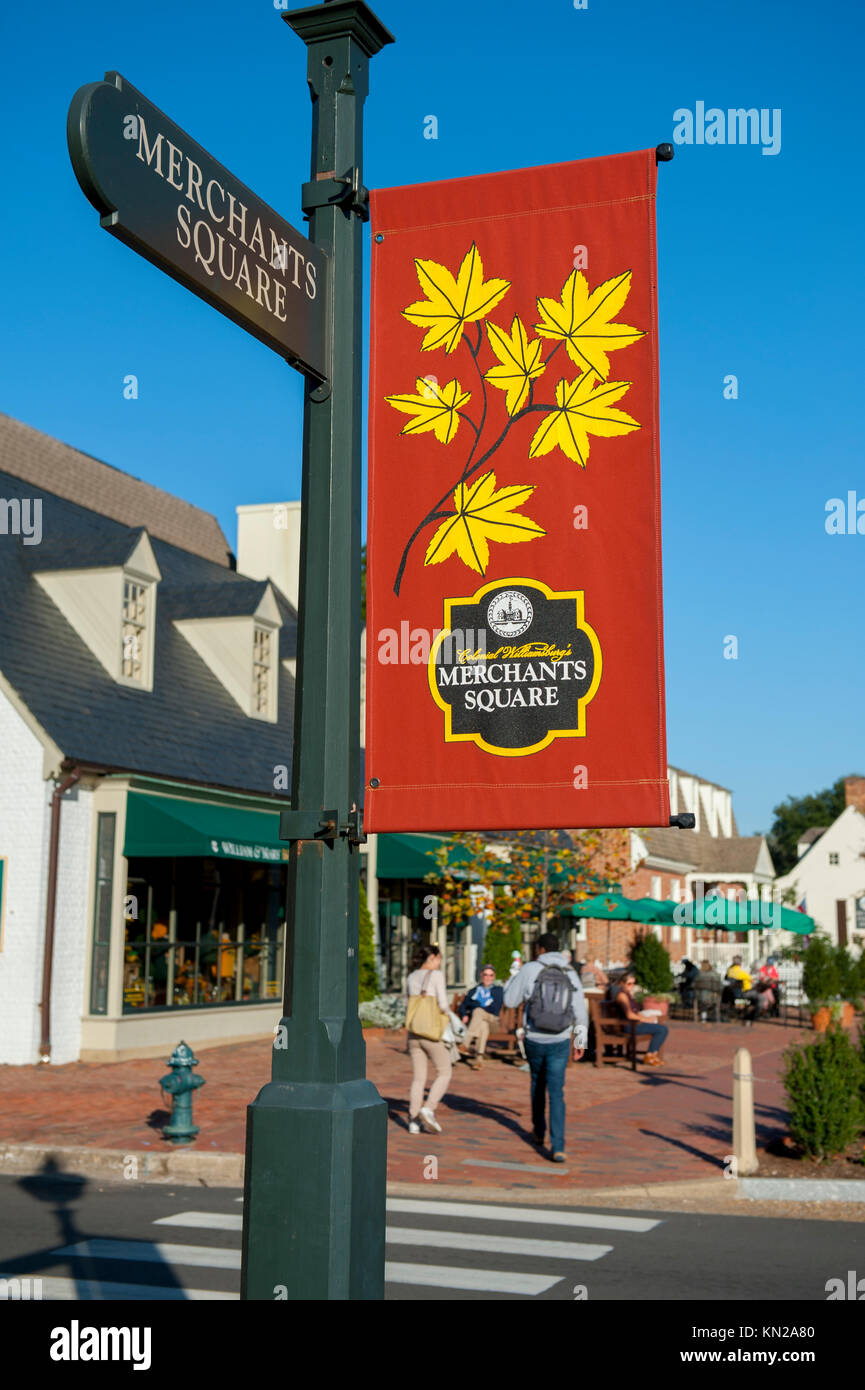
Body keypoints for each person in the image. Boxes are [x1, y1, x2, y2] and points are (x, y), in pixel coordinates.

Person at [504, 932, 586, 1163]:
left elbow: (510, 1001)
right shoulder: (570, 972)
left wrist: (513, 977)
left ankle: (539, 1131)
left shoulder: (530, 969)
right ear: (558, 949)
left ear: (540, 948)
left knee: (537, 1082)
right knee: (557, 1092)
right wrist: (580, 1042)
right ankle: (558, 1146)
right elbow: (580, 1011)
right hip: (560, 1039)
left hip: (535, 1037)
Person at [406, 944, 451, 1135]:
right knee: (445, 1071)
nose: (440, 962)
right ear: (431, 958)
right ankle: (429, 1108)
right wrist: (450, 1021)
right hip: (431, 1033)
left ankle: (414, 1121)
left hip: (413, 1032)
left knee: (419, 1078)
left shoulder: (410, 977)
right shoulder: (437, 976)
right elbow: (442, 1004)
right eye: (439, 958)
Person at [613, 971, 669, 1065]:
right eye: (629, 984)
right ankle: (650, 1055)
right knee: (662, 1029)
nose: (631, 986)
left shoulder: (627, 994)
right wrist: (646, 1020)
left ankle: (652, 1055)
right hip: (629, 1026)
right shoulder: (622, 996)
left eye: (633, 983)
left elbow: (636, 1012)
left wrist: (647, 1018)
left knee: (660, 1027)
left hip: (633, 1024)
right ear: (622, 983)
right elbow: (629, 1015)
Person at [459, 964, 504, 1069]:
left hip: (493, 1021)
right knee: (483, 1025)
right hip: (479, 1022)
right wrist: (464, 1014)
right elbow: (463, 1006)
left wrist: (475, 1005)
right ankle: (479, 1060)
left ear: (494, 977)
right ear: (481, 975)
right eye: (485, 975)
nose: (488, 978)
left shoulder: (498, 990)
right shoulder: (474, 991)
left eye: (491, 975)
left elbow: (494, 1008)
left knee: (478, 1011)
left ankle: (465, 1043)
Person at [725, 955, 762, 1020]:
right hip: (743, 993)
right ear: (740, 963)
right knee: (761, 997)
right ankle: (753, 1015)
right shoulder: (741, 972)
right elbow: (752, 980)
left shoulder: (729, 971)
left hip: (732, 994)